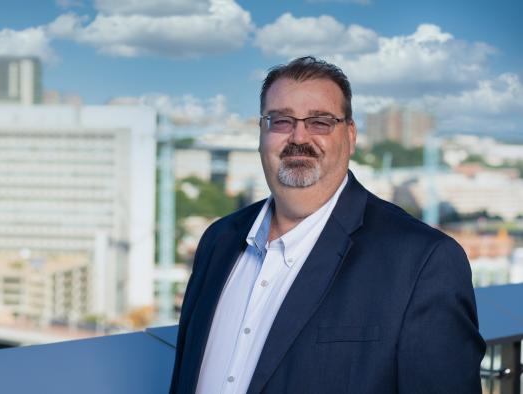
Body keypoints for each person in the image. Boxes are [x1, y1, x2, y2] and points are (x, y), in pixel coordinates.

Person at [169, 56, 485, 394]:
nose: (299, 136)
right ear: (261, 132)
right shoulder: (218, 241)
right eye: (281, 120)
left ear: (350, 135)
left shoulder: (421, 262)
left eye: (320, 122)